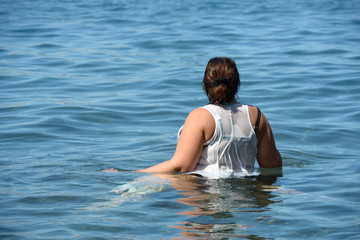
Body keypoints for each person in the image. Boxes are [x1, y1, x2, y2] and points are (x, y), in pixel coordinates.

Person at [138, 57, 281, 176]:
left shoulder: (200, 116)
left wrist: (135, 173)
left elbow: (182, 166)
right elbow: (272, 165)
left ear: (206, 85)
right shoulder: (256, 116)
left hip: (205, 191)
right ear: (237, 84)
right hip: (246, 197)